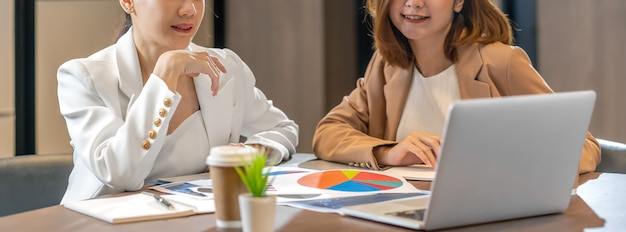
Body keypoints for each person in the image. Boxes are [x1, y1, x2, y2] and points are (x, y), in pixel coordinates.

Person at [313, 0, 600, 173]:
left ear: (459, 2)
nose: (413, 2)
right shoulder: (386, 65)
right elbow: (328, 132)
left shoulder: (501, 63)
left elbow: (585, 147)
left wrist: (509, 161)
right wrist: (390, 152)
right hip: (402, 214)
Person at [57, 0, 298, 204]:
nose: (190, 9)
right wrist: (165, 74)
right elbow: (120, 174)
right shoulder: (83, 77)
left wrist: (250, 153)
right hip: (102, 223)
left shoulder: (226, 67)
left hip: (199, 220)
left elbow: (282, 128)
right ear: (128, 2)